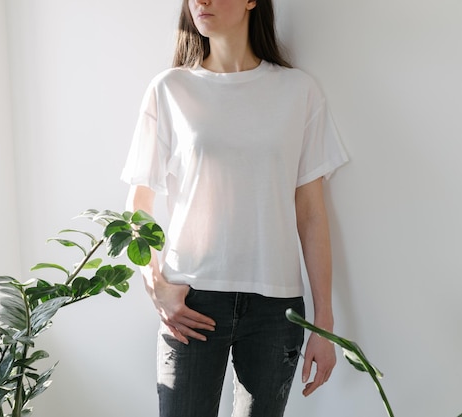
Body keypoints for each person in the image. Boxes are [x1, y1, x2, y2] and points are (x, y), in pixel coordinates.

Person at [121, 0, 348, 416]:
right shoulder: (169, 89)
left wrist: (324, 324)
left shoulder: (299, 91)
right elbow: (138, 208)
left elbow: (311, 213)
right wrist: (156, 286)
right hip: (190, 302)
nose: (200, 2)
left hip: (276, 308)